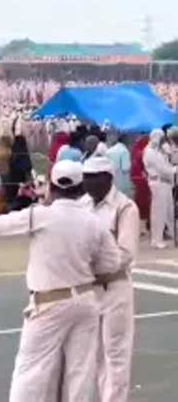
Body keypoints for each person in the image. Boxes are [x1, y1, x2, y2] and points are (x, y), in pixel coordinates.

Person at [0, 160, 120, 401]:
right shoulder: (94, 221)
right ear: (81, 188)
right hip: (85, 299)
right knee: (80, 372)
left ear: (52, 187)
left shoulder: (41, 215)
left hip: (49, 303)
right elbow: (111, 264)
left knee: (31, 371)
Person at [82, 156, 139, 402]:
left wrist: (91, 263)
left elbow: (125, 254)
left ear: (107, 179)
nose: (88, 184)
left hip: (114, 287)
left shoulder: (124, 208)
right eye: (85, 178)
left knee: (115, 354)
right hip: (89, 290)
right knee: (95, 354)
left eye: (93, 178)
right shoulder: (83, 205)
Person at [142, 129, 175, 249]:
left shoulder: (157, 150)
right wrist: (174, 170)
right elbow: (163, 169)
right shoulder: (150, 152)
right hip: (159, 183)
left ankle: (173, 233)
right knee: (159, 213)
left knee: (169, 211)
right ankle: (157, 239)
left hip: (164, 183)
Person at [106, 132, 133, 198]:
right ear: (127, 141)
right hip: (122, 182)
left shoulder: (109, 151)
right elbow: (125, 168)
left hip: (110, 181)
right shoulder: (124, 151)